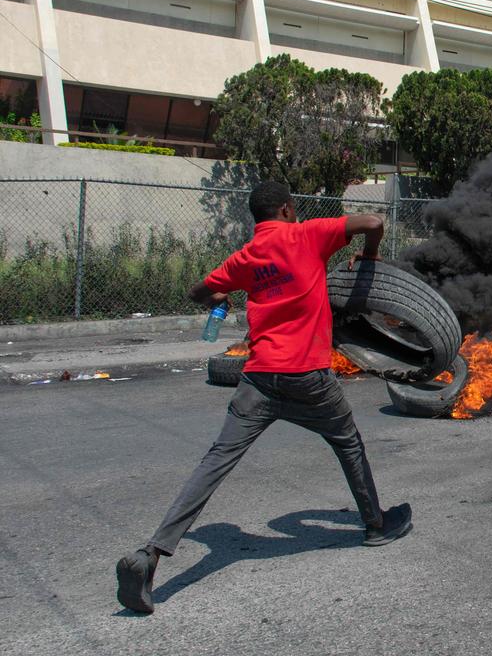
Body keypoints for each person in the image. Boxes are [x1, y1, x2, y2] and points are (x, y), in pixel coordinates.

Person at [115, 181, 411, 615]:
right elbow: (374, 221)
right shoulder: (307, 234)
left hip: (258, 380)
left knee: (216, 461)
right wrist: (369, 256)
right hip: (308, 376)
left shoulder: (245, 258)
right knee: (347, 444)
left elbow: (198, 291)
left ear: (257, 217)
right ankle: (375, 524)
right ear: (289, 209)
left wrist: (223, 295)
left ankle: (151, 554)